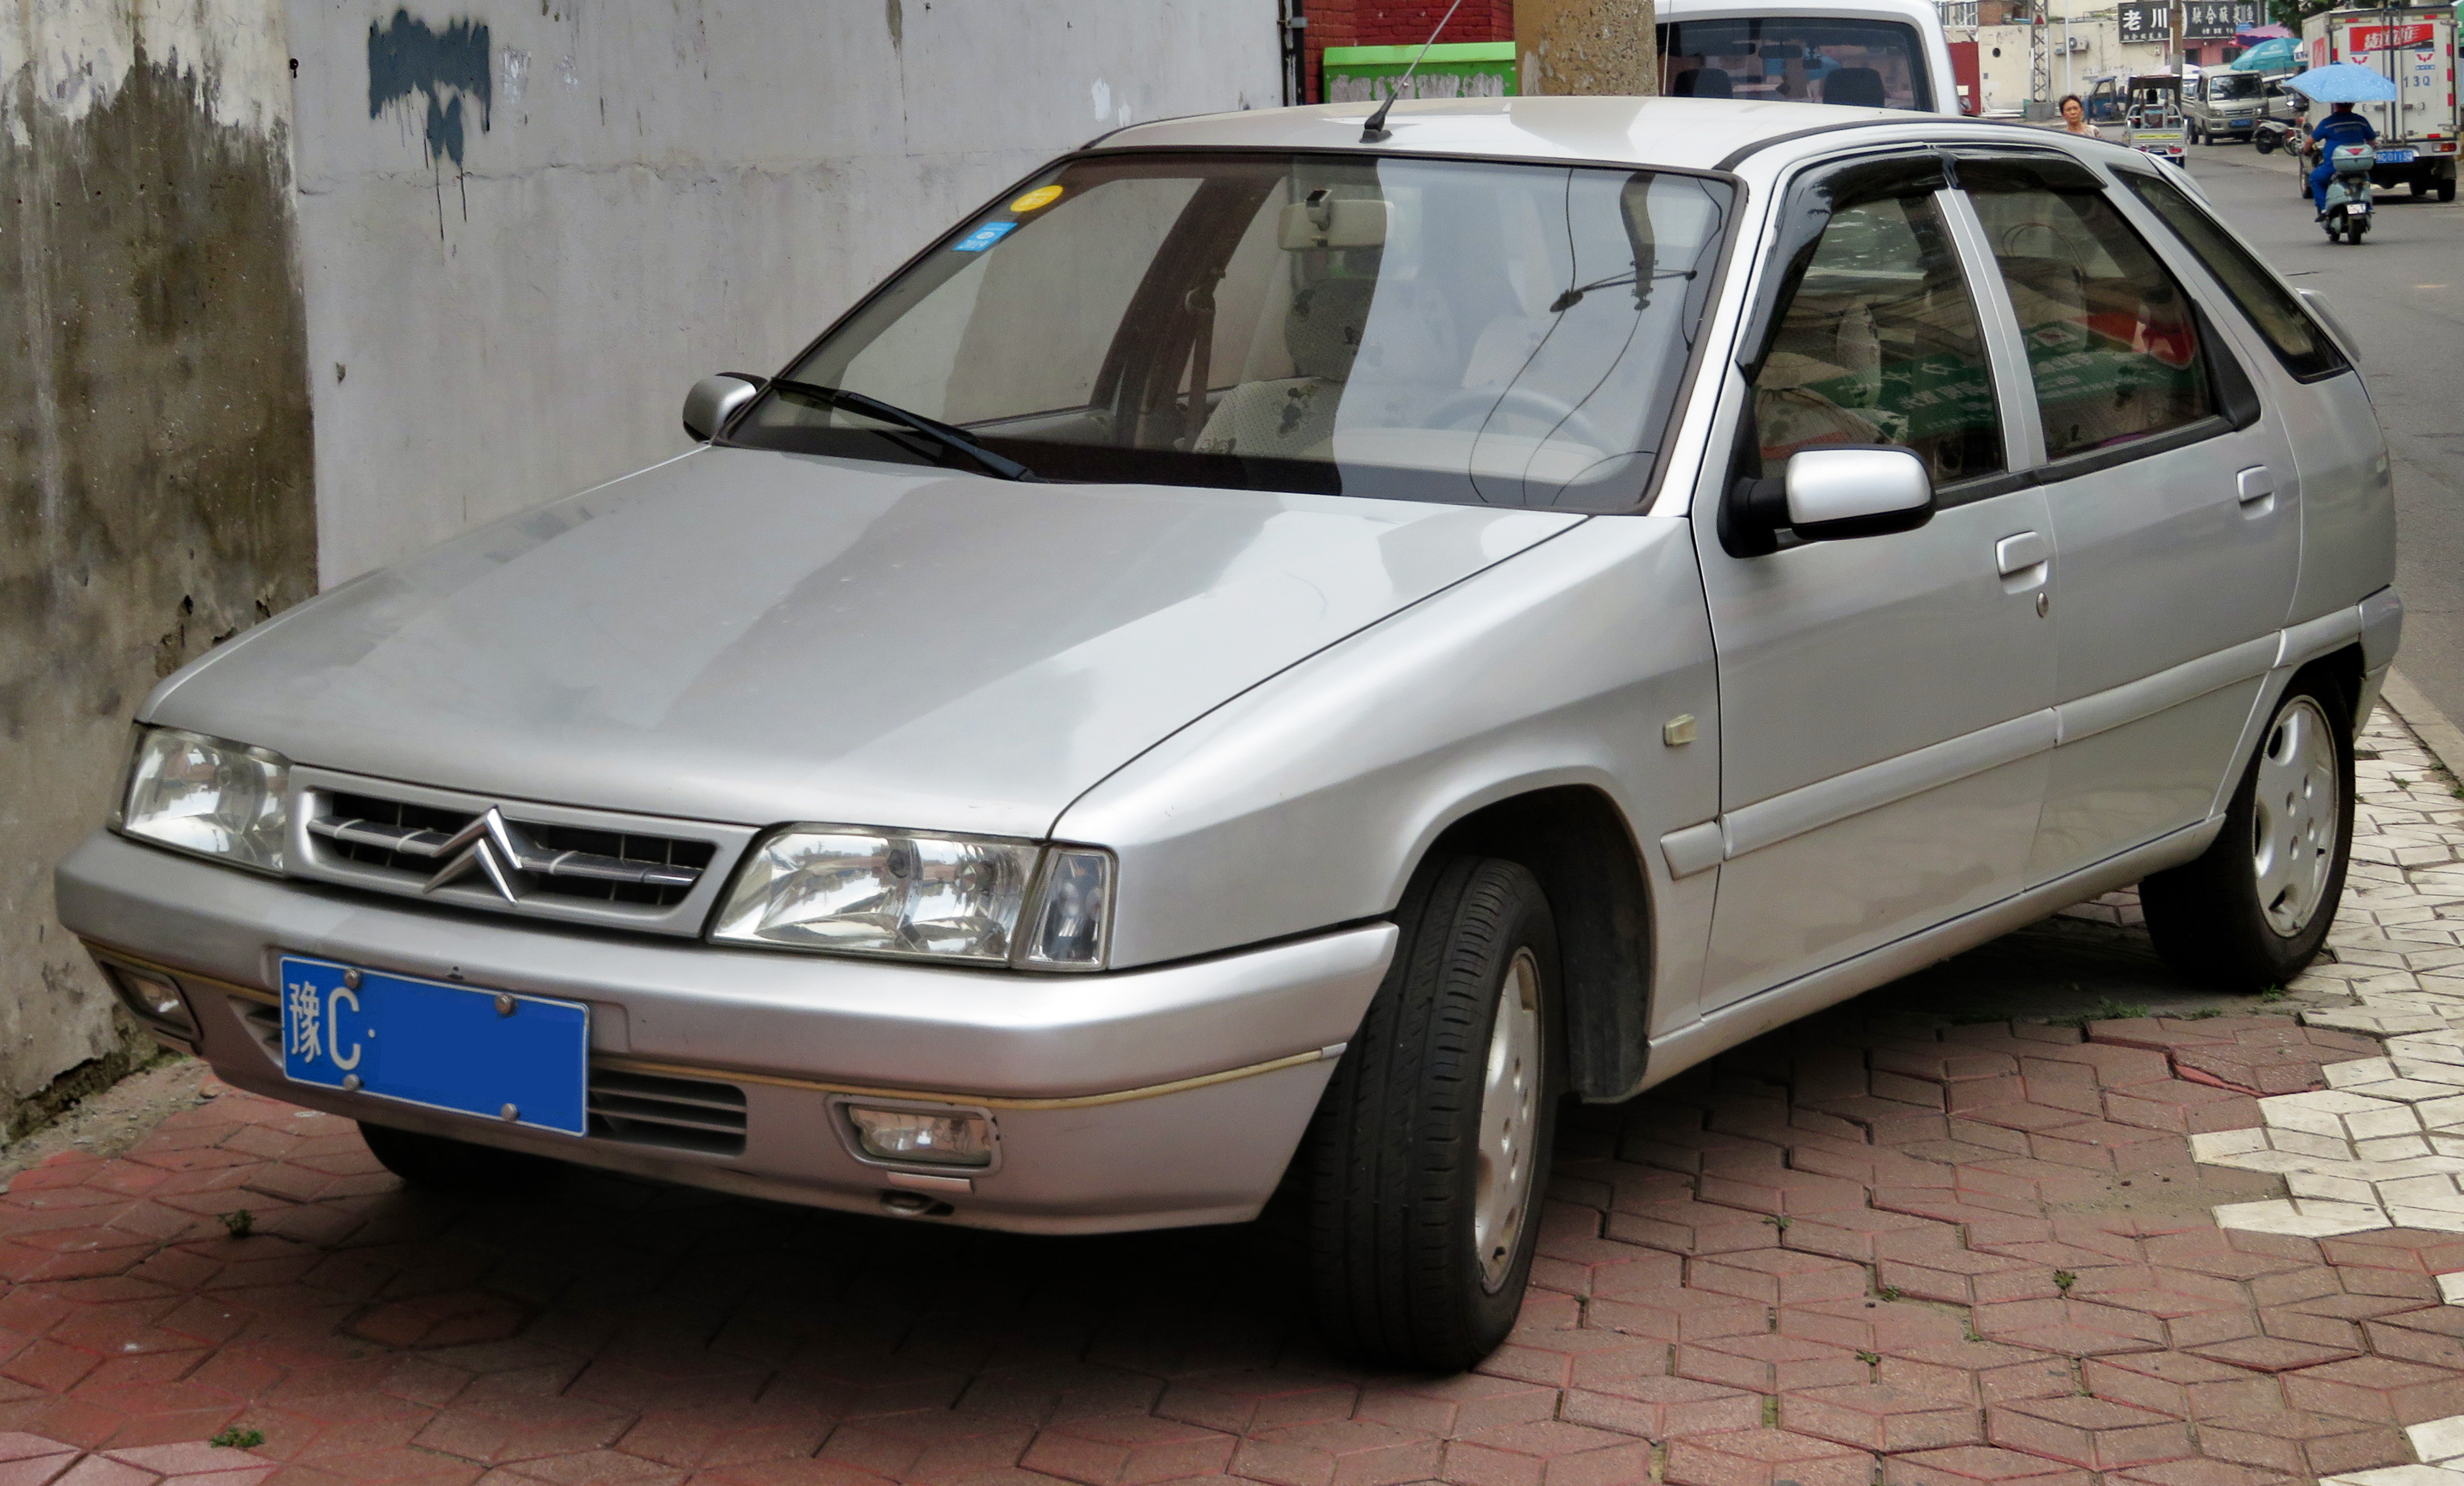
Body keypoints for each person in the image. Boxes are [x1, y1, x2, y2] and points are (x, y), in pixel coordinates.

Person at [2308, 100, 2378, 215]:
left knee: (2315, 179)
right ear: (2353, 105)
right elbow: (2372, 141)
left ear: (2335, 105)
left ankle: (2324, 209)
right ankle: (2367, 206)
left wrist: (2306, 151)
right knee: (2365, 180)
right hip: (2359, 166)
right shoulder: (2361, 121)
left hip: (2334, 167)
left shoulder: (2328, 123)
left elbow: (2310, 142)